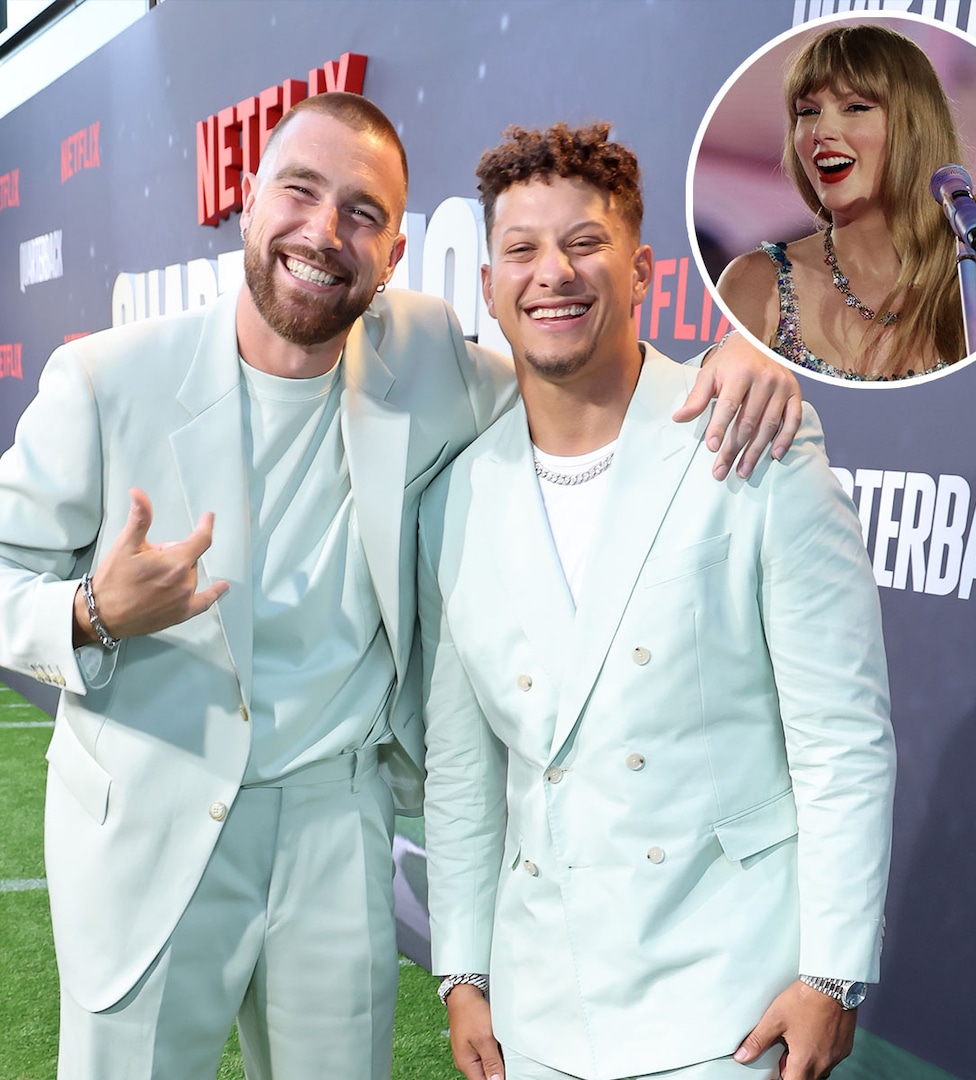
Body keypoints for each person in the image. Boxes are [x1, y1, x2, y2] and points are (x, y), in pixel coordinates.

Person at [0, 92, 801, 1080]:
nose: (323, 232)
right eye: (299, 192)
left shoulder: (423, 354)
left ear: (394, 255)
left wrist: (734, 355)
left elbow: (579, 376)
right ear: (247, 204)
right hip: (152, 819)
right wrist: (90, 613)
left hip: (338, 823)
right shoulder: (104, 380)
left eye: (362, 212)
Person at [419, 122, 896, 1080]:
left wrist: (834, 975)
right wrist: (463, 969)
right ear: (490, 286)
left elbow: (841, 736)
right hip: (538, 1010)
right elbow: (463, 768)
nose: (553, 273)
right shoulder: (456, 496)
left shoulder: (754, 436)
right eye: (522, 250)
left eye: (584, 243)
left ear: (641, 271)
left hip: (732, 1005)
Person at [718, 23, 976, 382]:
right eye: (807, 112)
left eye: (855, 107)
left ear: (915, 127)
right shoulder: (757, 286)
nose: (820, 132)